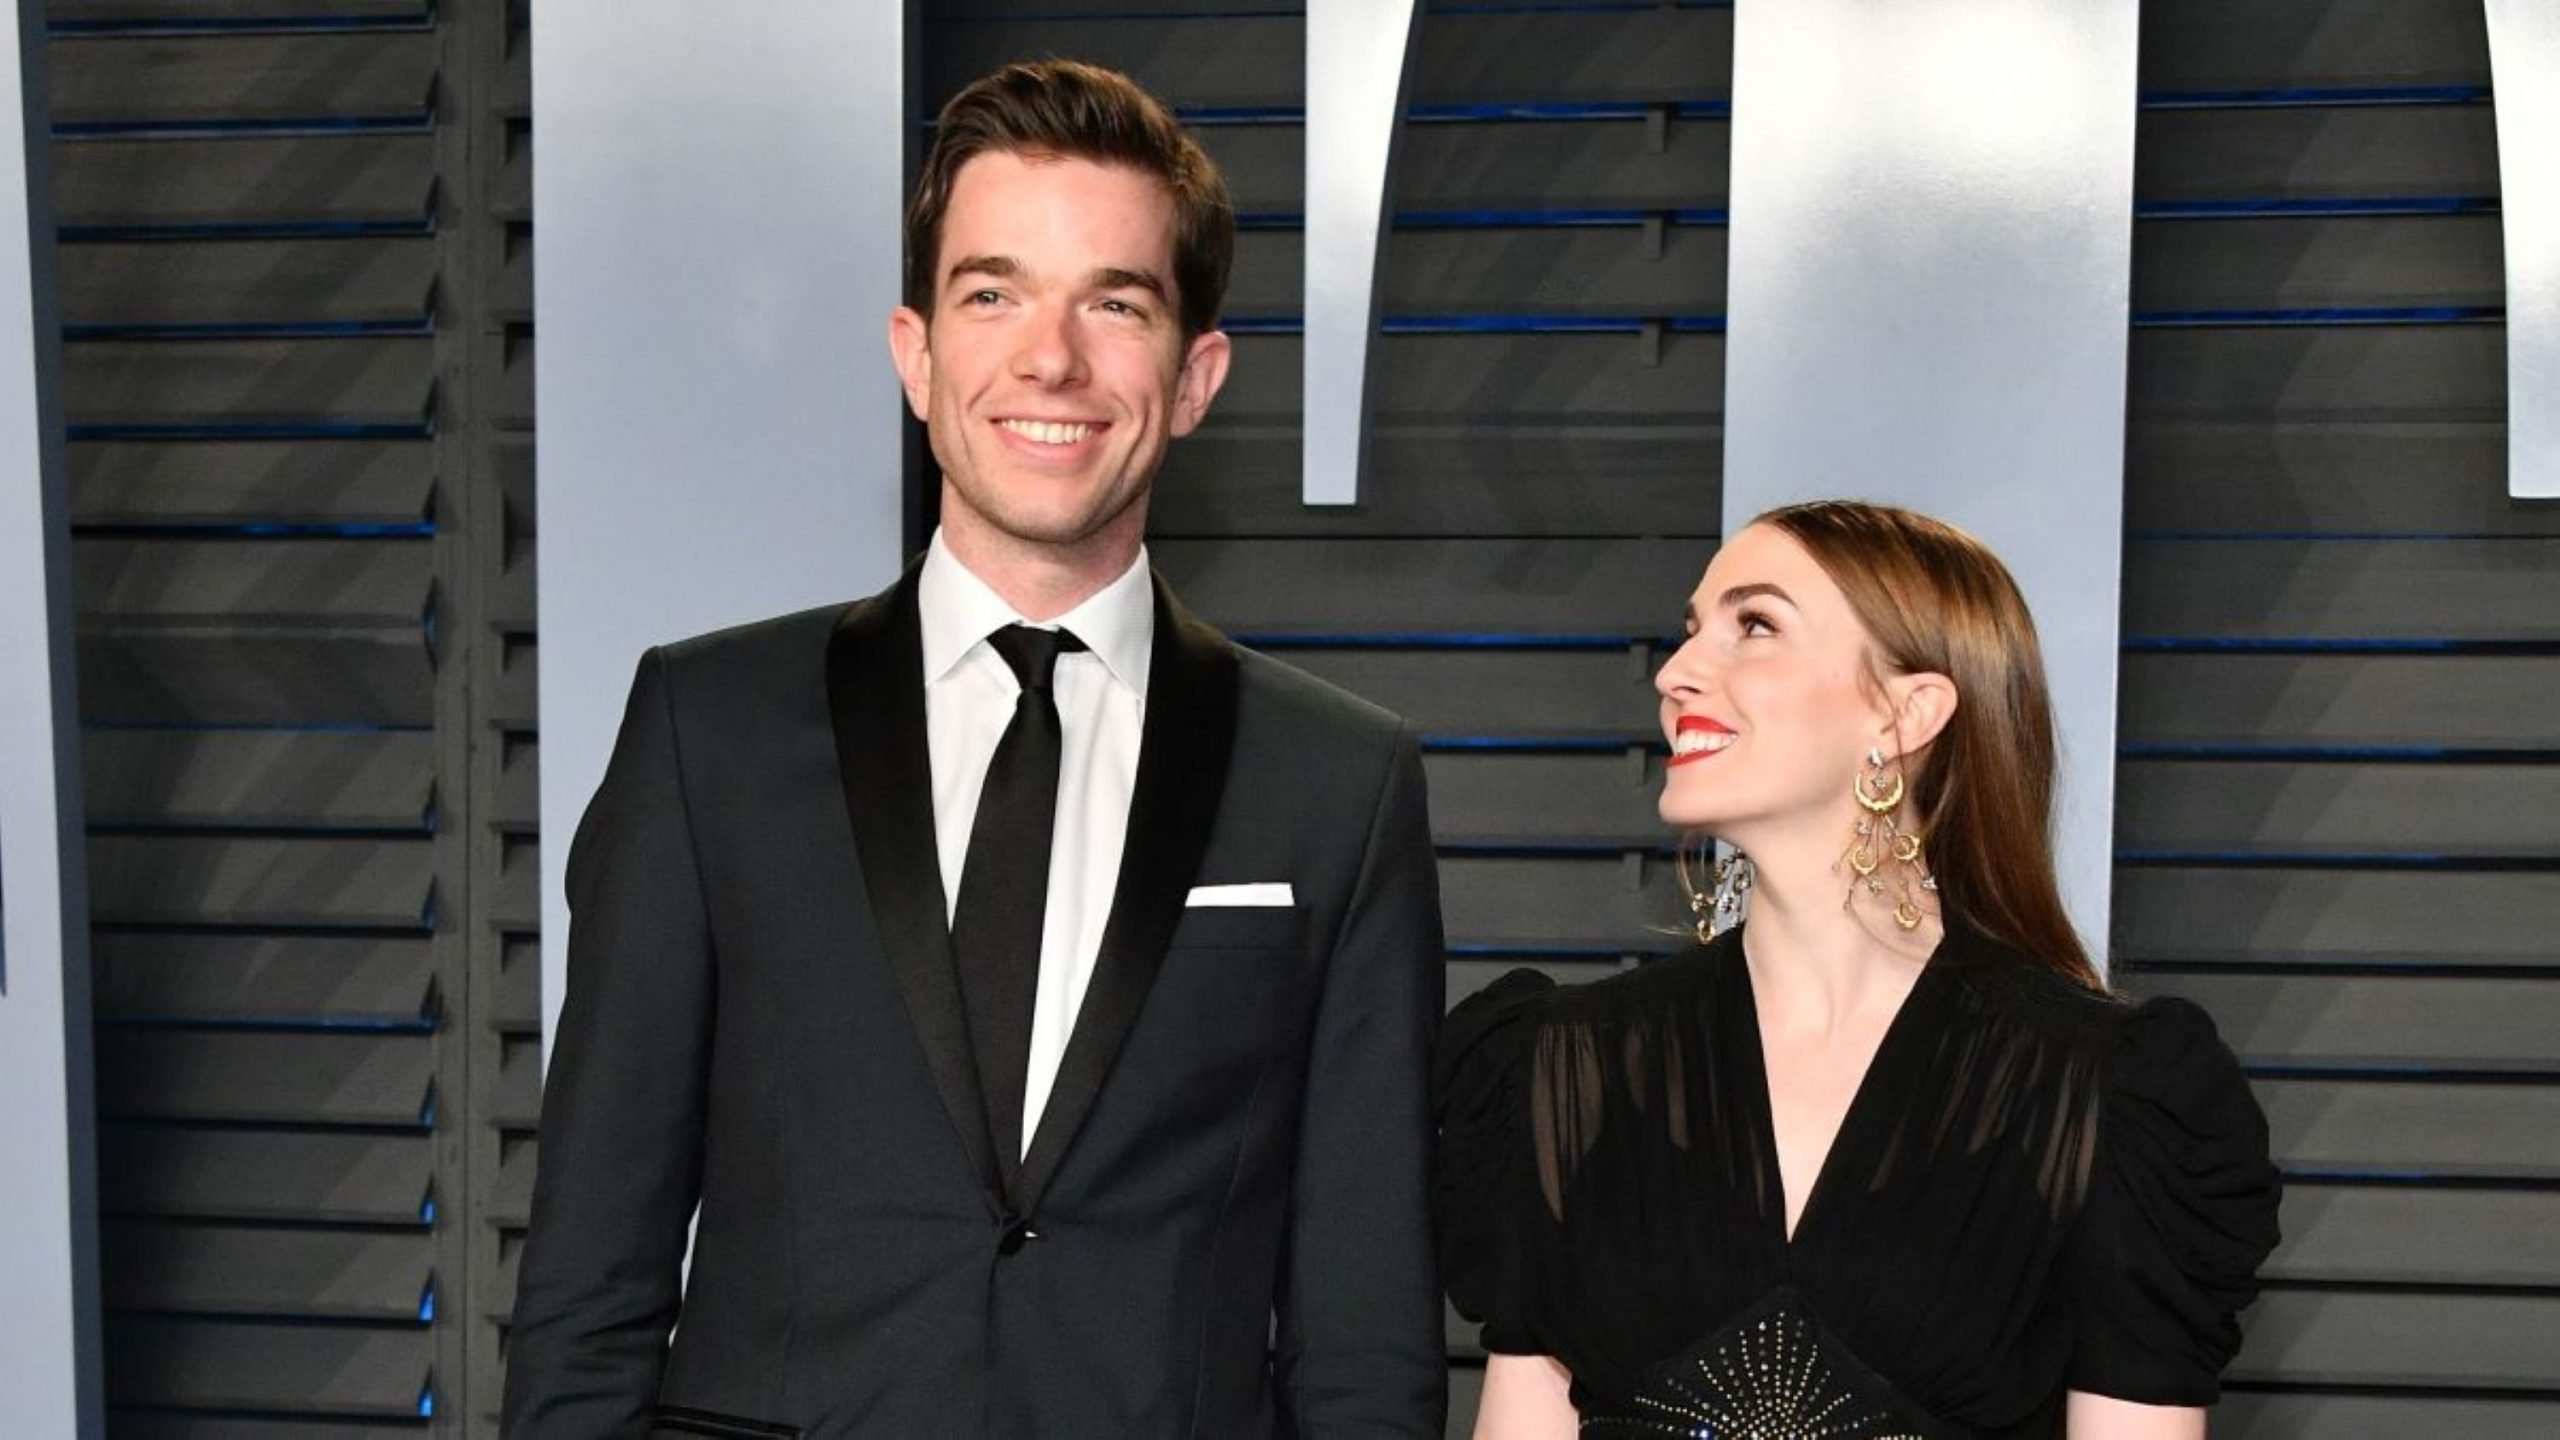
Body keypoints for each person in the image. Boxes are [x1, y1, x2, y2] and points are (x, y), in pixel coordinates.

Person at [503, 61, 1448, 1438]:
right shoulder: (708, 733)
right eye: (992, 293)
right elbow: (590, 1280)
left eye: (1113, 302)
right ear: (916, 352)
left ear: (1194, 377)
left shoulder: (1338, 787)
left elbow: (1366, 1340)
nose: (1049, 359)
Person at [1435, 502, 2281, 1439]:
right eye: (1690, 632)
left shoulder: (2108, 1094)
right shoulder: (1562, 1068)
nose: (1676, 676)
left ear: (1905, 711)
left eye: (1754, 625)